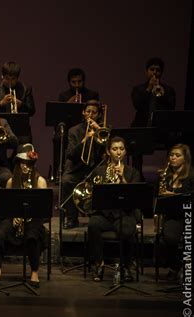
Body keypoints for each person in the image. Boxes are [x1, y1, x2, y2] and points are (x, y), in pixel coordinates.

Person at [0, 143, 47, 288]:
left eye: (28, 163)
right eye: (22, 163)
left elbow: (43, 211)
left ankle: (34, 271)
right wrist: (14, 216)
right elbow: (6, 207)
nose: (25, 166)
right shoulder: (11, 181)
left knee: (32, 236)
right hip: (13, 218)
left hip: (33, 219)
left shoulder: (40, 181)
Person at [88, 136, 140, 282]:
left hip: (124, 213)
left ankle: (126, 266)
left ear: (125, 152)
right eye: (114, 149)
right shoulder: (99, 171)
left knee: (127, 229)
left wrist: (122, 180)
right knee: (93, 225)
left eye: (121, 149)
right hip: (105, 215)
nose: (118, 152)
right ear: (108, 151)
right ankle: (99, 264)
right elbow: (93, 195)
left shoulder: (132, 172)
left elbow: (135, 197)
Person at [61, 100, 106, 229]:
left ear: (98, 114)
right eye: (88, 112)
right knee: (66, 181)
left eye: (94, 112)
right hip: (77, 168)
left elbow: (111, 149)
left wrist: (99, 131)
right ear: (83, 112)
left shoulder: (104, 129)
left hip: (96, 169)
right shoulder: (73, 131)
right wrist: (84, 140)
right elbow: (71, 154)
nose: (90, 115)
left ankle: (99, 218)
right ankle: (71, 218)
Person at [157, 144, 194, 281]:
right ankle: (175, 266)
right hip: (173, 215)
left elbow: (191, 195)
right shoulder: (166, 175)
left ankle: (187, 267)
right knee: (169, 238)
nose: (173, 158)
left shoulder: (191, 175)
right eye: (172, 155)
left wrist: (172, 194)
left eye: (178, 155)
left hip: (189, 214)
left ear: (185, 158)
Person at [53, 68, 100, 176]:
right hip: (70, 127)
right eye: (74, 82)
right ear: (69, 82)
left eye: (79, 82)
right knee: (58, 138)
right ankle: (59, 171)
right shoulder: (64, 95)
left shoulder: (92, 94)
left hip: (88, 126)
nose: (77, 85)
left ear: (84, 81)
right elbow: (58, 116)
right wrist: (68, 104)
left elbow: (97, 111)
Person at [0, 61, 35, 144]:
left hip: (21, 131)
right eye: (7, 78)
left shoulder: (26, 88)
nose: (10, 82)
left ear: (17, 78)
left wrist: (21, 105)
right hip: (0, 129)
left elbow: (32, 111)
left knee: (25, 153)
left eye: (13, 79)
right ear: (2, 76)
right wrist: (0, 103)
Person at [131, 57, 176, 127]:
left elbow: (171, 108)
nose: (154, 72)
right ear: (146, 71)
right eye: (152, 69)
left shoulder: (169, 90)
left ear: (161, 73)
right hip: (141, 126)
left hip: (161, 127)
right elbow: (138, 106)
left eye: (158, 70)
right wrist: (149, 88)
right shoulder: (138, 89)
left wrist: (162, 95)